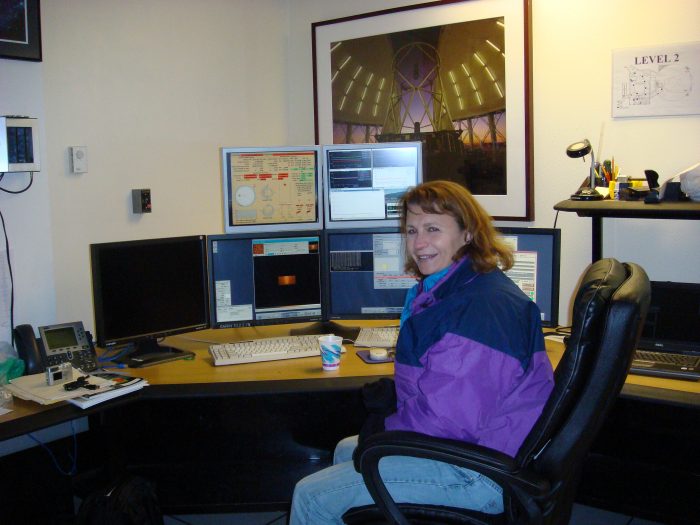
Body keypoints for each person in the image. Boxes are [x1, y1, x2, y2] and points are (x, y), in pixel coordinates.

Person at [289, 180, 554, 524]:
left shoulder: (481, 309)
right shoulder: (457, 289)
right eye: (412, 230)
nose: (419, 243)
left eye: (433, 229)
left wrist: (385, 427)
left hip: (480, 474)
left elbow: (449, 421)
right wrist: (396, 403)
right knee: (345, 448)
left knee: (312, 496)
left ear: (468, 233)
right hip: (481, 445)